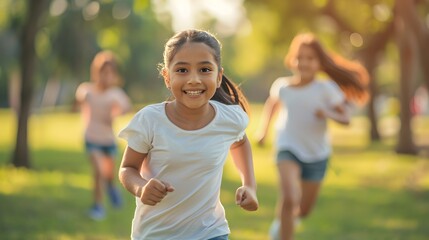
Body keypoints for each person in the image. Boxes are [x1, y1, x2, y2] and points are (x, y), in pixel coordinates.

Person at [117, 29, 258, 240]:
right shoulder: (150, 120)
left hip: (211, 232)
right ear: (167, 76)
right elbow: (127, 168)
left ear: (218, 76)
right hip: (156, 234)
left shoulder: (230, 119)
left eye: (204, 69)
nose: (193, 79)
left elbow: (240, 142)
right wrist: (142, 188)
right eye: (182, 70)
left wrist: (249, 184)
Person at [256, 33, 368, 240]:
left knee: (303, 210)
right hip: (287, 147)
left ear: (319, 63)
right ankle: (284, 232)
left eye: (310, 58)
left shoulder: (326, 89)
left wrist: (328, 113)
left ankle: (284, 222)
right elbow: (272, 104)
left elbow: (346, 119)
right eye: (299, 57)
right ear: (292, 60)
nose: (304, 63)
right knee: (289, 198)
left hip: (317, 154)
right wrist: (263, 131)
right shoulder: (282, 86)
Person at [75, 50, 132, 220]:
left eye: (110, 73)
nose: (106, 77)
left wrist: (117, 111)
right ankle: (98, 207)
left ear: (115, 76)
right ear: (96, 73)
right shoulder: (87, 90)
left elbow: (126, 107)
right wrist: (80, 101)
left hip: (109, 140)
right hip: (92, 138)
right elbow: (78, 100)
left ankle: (112, 188)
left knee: (108, 174)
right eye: (103, 73)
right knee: (99, 172)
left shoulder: (115, 94)